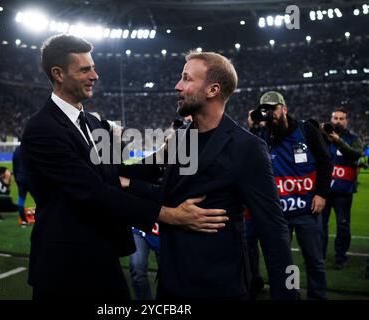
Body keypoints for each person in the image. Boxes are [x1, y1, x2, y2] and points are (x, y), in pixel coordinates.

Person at [20, 35, 228, 300]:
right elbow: (95, 192)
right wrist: (170, 215)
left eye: (93, 67)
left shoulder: (92, 124)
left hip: (101, 255)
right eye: (85, 69)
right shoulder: (42, 130)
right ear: (58, 74)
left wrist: (164, 155)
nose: (95, 75)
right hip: (65, 267)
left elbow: (118, 171)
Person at [121, 52, 297, 300]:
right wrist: (122, 180)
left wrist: (288, 293)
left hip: (218, 285)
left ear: (212, 89)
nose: (177, 86)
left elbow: (273, 228)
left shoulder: (247, 147)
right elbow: (167, 194)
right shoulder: (180, 137)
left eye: (186, 79)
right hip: (171, 283)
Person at [248, 91, 333, 299]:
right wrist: (253, 126)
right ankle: (290, 294)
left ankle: (317, 297)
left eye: (273, 108)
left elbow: (325, 161)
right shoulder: (262, 136)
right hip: (279, 215)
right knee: (285, 263)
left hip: (307, 209)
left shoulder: (306, 130)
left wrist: (321, 194)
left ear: (284, 109)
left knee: (314, 260)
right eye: (265, 109)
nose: (270, 114)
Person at [321, 107, 363, 269]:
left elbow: (356, 154)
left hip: (343, 191)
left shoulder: (353, 138)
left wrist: (338, 140)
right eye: (335, 118)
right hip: (324, 191)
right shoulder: (323, 138)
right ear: (331, 119)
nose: (338, 121)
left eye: (341, 118)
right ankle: (321, 256)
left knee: (343, 225)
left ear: (347, 121)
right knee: (320, 225)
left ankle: (340, 257)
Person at [12, 145, 30, 227]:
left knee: (21, 199)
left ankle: (23, 220)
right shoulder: (31, 148)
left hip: (20, 178)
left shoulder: (17, 150)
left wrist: (16, 178)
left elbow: (14, 166)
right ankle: (42, 219)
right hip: (31, 178)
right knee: (40, 199)